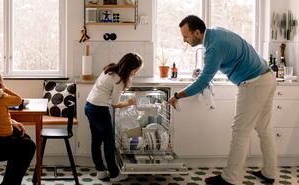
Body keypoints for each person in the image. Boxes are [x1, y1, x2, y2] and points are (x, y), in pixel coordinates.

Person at [168, 15, 277, 185]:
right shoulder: (216, 32)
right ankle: (269, 172)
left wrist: (176, 96)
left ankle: (230, 178)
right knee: (264, 128)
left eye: (186, 36)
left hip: (253, 83)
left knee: (240, 131)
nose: (184, 40)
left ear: (197, 32)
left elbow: (203, 81)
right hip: (267, 77)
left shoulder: (213, 48)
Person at [84, 52, 143, 182]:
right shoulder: (118, 80)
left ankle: (100, 171)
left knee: (96, 140)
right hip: (99, 110)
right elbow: (115, 104)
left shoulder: (110, 69)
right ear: (131, 68)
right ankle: (114, 174)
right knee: (109, 143)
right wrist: (129, 102)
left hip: (89, 106)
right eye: (135, 70)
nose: (135, 73)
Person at [0, 66, 35, 185]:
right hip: (0, 143)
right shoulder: (0, 96)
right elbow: (19, 100)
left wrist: (12, 121)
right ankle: (10, 183)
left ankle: (10, 181)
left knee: (25, 137)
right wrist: (5, 89)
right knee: (29, 145)